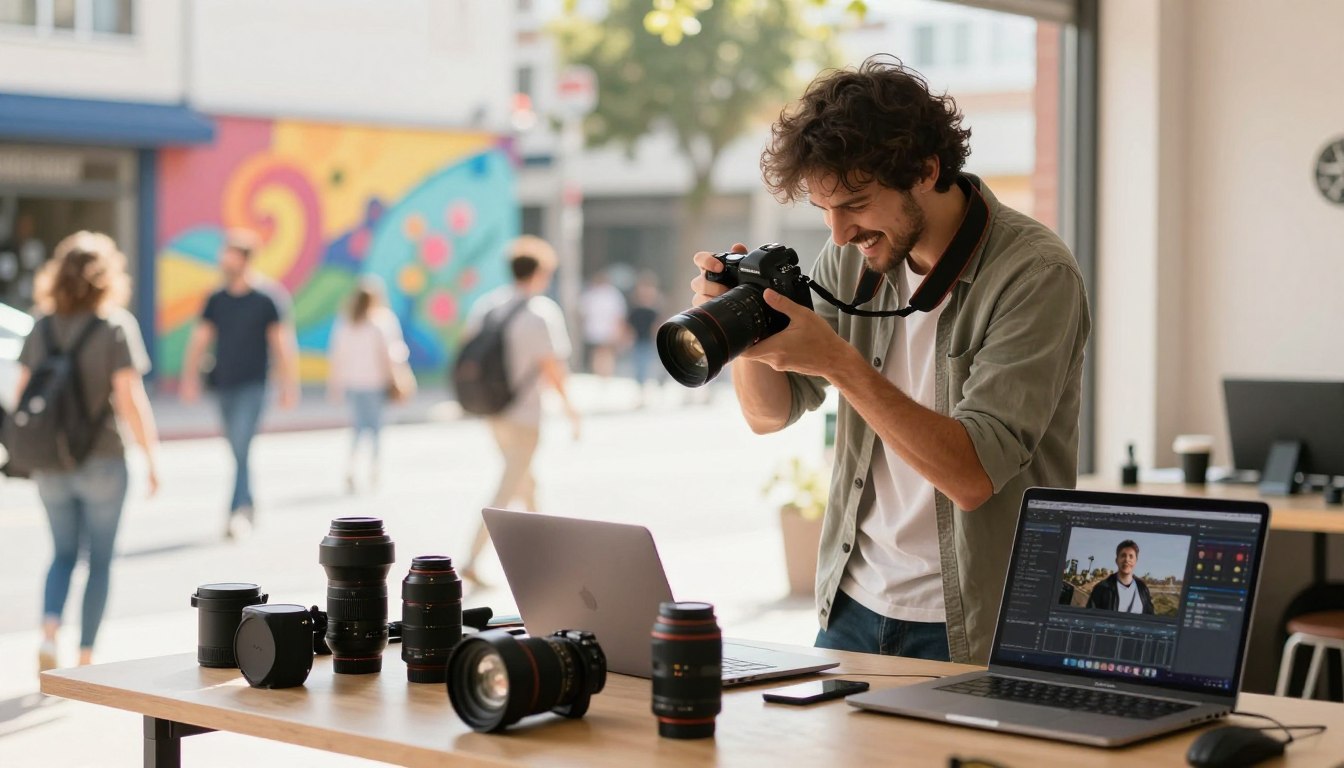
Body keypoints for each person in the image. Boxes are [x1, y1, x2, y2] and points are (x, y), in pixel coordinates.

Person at [688, 56, 1090, 664]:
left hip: (980, 624)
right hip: (852, 604)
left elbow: (973, 477)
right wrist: (741, 324)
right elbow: (769, 415)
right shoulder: (854, 256)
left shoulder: (1034, 274)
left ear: (927, 170)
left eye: (855, 204)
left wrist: (841, 363)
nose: (840, 232)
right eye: (825, 211)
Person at [15, 231, 160, 669]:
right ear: (107, 276)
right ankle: (86, 654)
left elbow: (22, 395)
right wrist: (151, 457)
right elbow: (129, 400)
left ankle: (49, 632)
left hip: (50, 460)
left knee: (61, 554)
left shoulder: (41, 326)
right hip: (104, 458)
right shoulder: (116, 325)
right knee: (100, 560)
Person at [459, 236, 580, 585]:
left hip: (493, 412)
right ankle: (471, 557)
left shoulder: (487, 306)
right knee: (507, 488)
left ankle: (545, 559)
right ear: (541, 272)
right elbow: (552, 369)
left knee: (527, 482)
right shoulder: (541, 313)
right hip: (526, 415)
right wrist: (572, 411)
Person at [180, 229, 299, 539]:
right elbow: (200, 339)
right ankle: (249, 502)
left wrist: (289, 385)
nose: (224, 261)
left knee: (242, 445)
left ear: (245, 259)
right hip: (222, 385)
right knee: (237, 448)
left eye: (230, 255)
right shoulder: (216, 299)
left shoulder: (267, 298)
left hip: (255, 385)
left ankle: (236, 512)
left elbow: (282, 343)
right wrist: (189, 377)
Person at [327, 277, 409, 493]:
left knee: (358, 428)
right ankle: (374, 469)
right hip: (375, 383)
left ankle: (352, 468)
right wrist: (398, 378)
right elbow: (391, 355)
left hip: (354, 383)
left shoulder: (345, 323)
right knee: (376, 429)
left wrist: (335, 385)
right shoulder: (382, 322)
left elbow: (337, 356)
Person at [1086, 540, 1155, 614]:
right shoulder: (1101, 588)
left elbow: (1150, 617)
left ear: (1135, 561)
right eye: (1123, 555)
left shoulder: (1143, 589)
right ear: (1116, 560)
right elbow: (1090, 617)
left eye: (1131, 556)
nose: (1127, 559)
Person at [579, 270, 626, 378]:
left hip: (604, 329)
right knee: (601, 353)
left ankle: (603, 373)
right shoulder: (594, 293)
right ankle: (602, 373)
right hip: (598, 329)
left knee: (603, 352)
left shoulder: (610, 294)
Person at [625, 273, 662, 404]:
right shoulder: (634, 308)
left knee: (648, 366)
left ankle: (649, 390)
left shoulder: (655, 308)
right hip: (638, 341)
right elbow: (629, 325)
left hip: (649, 341)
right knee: (639, 367)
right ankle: (641, 392)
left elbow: (657, 325)